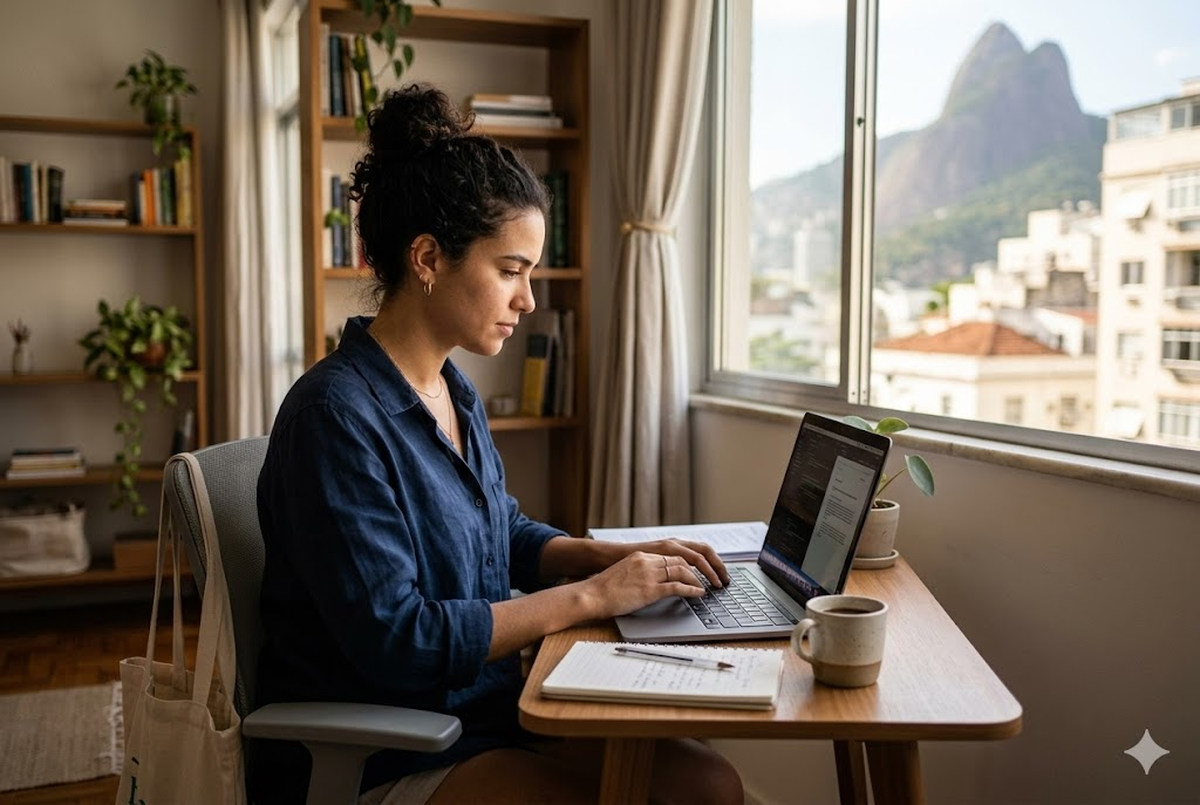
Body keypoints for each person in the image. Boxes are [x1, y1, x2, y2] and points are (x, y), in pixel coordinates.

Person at [254, 83, 745, 805]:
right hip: (385, 748)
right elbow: (400, 637)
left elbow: (501, 533)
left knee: (709, 784)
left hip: (480, 713)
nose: (529, 299)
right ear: (427, 258)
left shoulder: (451, 388)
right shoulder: (333, 419)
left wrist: (615, 557)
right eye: (511, 270)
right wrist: (592, 595)